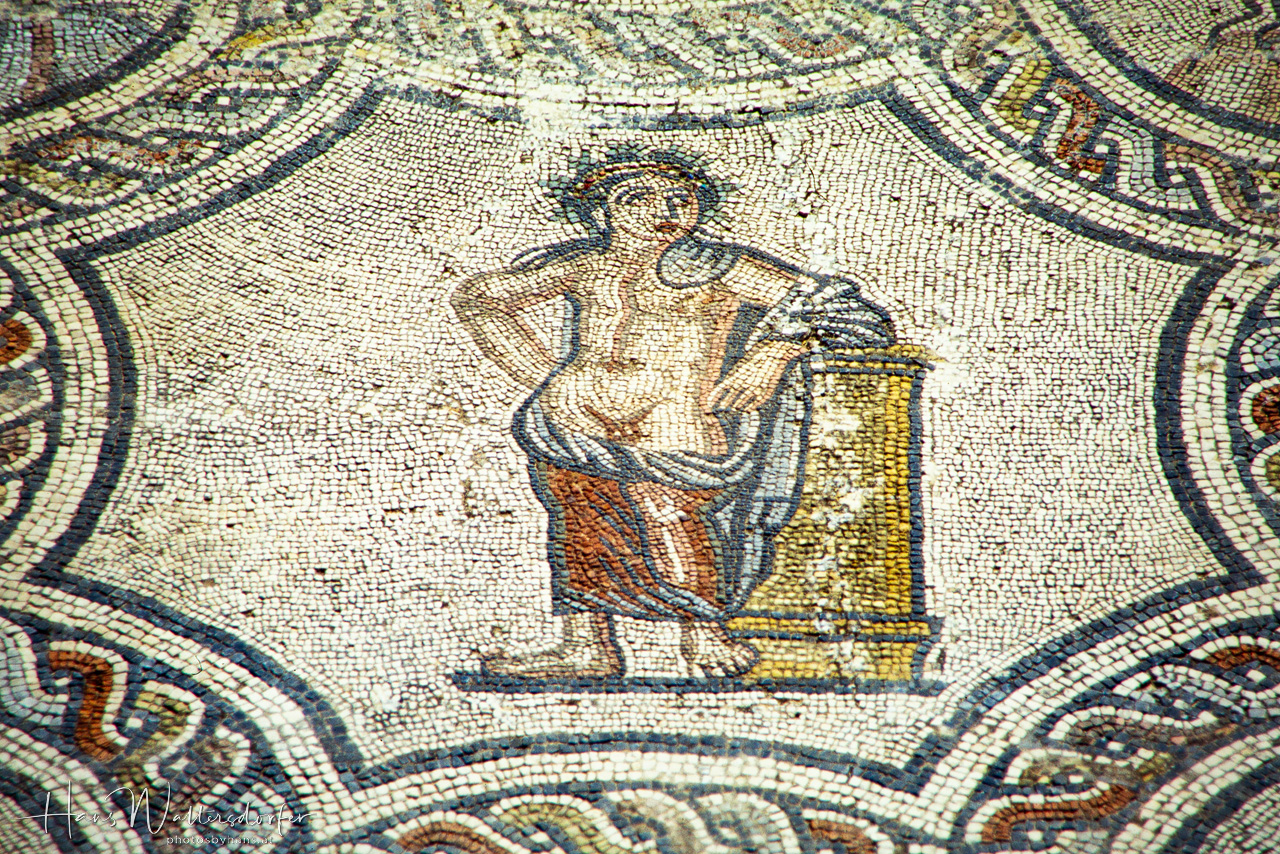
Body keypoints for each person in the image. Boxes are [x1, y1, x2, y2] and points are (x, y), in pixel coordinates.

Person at [452, 155, 894, 678]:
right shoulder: (581, 265)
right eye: (637, 199)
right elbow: (478, 298)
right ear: (601, 213)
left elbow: (849, 311)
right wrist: (546, 375)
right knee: (580, 528)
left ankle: (704, 634)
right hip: (571, 424)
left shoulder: (718, 268)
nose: (663, 210)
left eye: (679, 199)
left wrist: (776, 351)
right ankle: (587, 647)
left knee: (672, 519)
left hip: (673, 427)